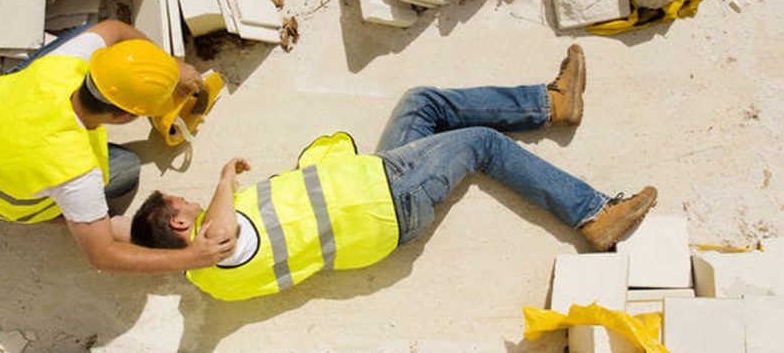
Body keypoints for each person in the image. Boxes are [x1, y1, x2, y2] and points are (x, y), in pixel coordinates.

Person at [130, 45, 657, 300]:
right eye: (185, 206)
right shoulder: (217, 251)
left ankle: (550, 104)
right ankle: (593, 213)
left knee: (421, 103)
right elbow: (222, 233)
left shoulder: (209, 282)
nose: (195, 204)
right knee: (481, 145)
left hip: (373, 185)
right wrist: (225, 178)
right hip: (388, 201)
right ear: (180, 227)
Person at [0, 20, 234, 273]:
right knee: (126, 169)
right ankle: (60, 216)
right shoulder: (76, 170)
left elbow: (116, 29)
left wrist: (169, 67)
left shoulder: (64, 66)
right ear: (123, 115)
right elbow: (103, 256)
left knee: (88, 33)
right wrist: (192, 258)